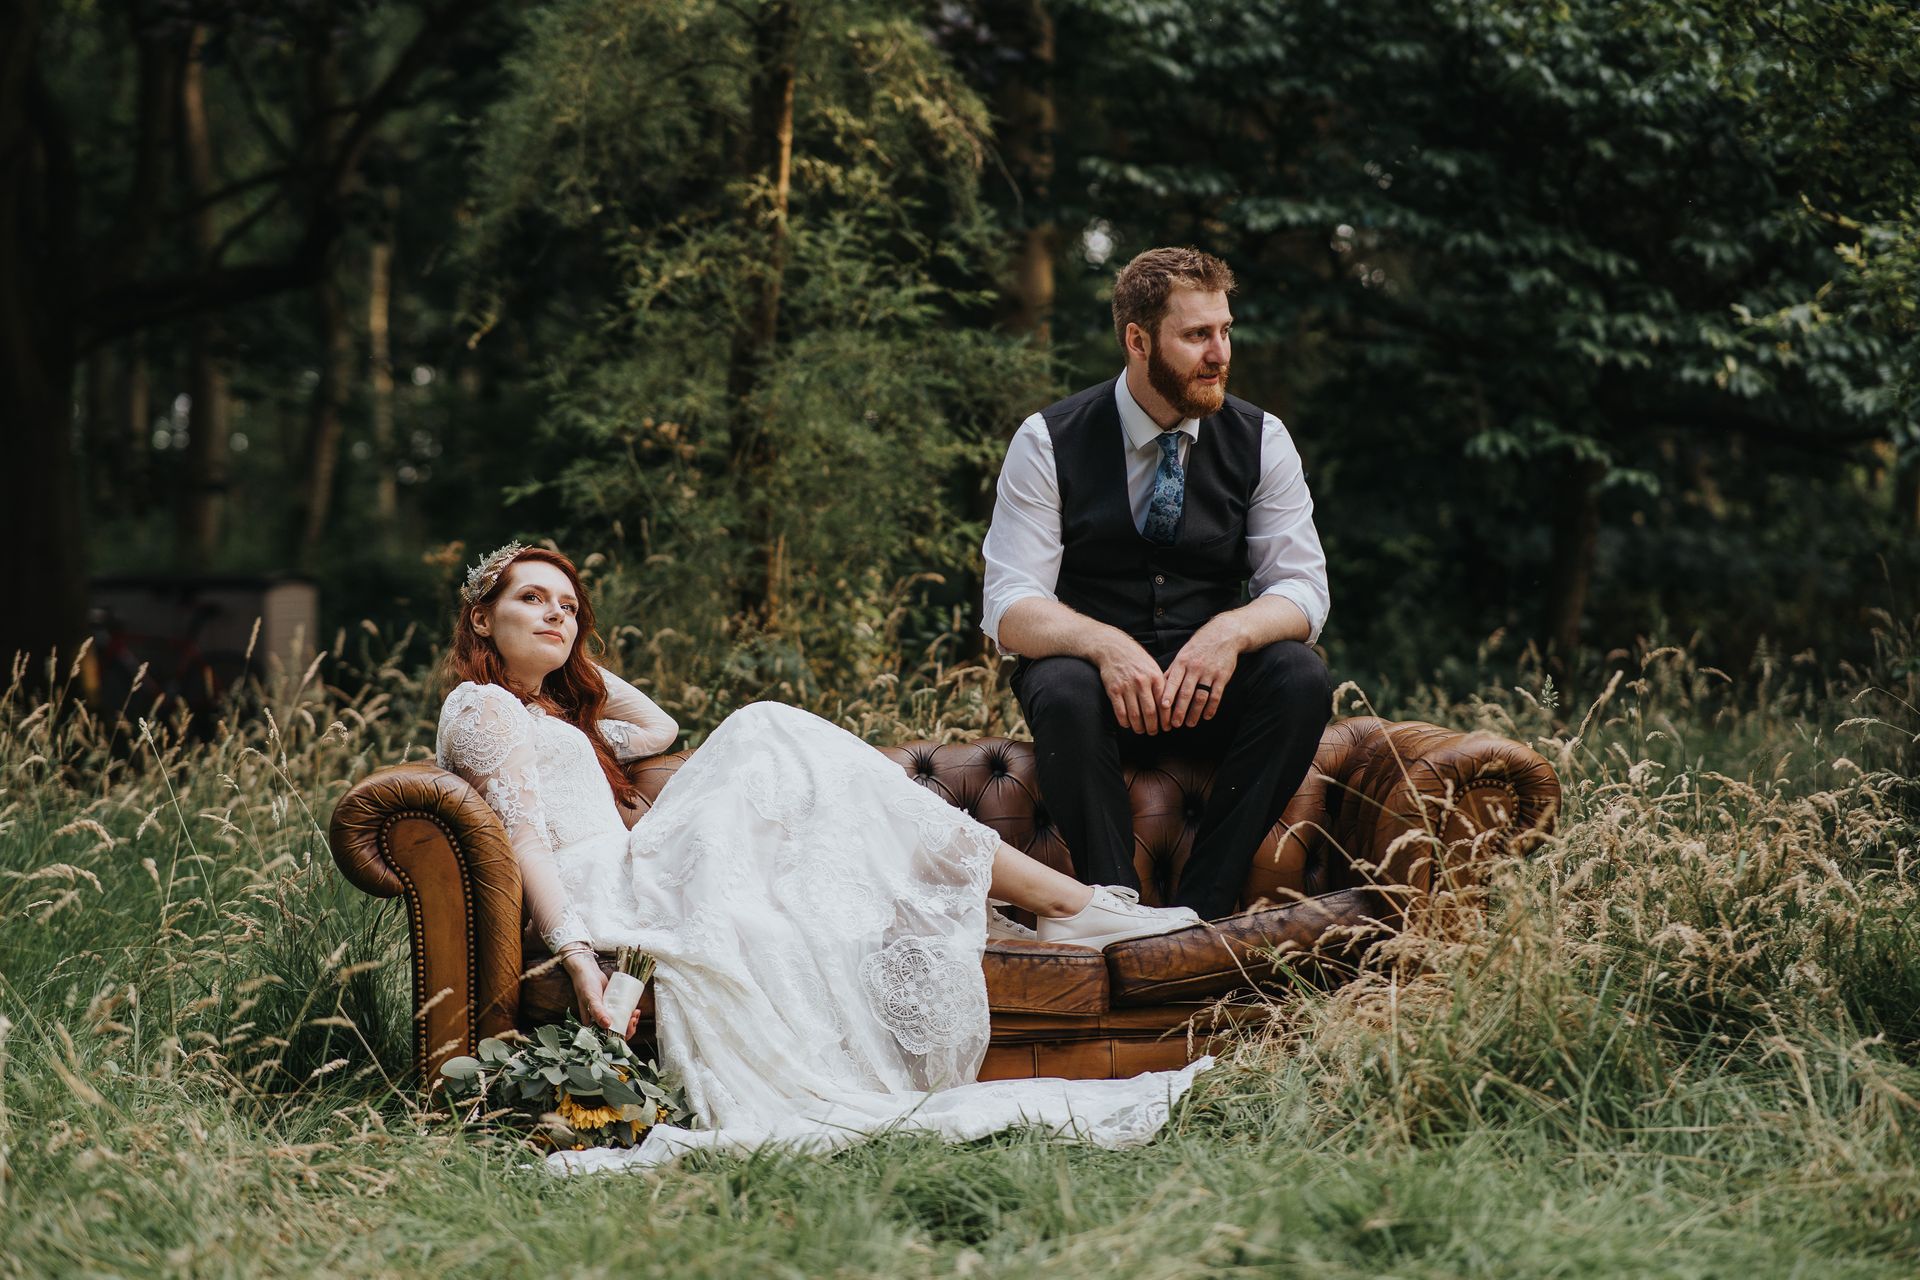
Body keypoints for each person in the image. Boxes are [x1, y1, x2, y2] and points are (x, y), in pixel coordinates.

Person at [434, 542, 1209, 1172]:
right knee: (765, 727)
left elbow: (659, 729)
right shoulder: (483, 706)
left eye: (570, 607)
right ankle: (1073, 903)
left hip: (635, 867)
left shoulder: (545, 712)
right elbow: (528, 839)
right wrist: (579, 961)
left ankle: (1069, 904)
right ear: (481, 616)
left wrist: (567, 661)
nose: (557, 614)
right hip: (610, 885)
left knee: (781, 746)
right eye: (532, 599)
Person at [981, 247, 1334, 921]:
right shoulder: (1047, 440)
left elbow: (1303, 589)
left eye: (1225, 330)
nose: (1220, 353)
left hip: (1210, 694)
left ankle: (1200, 911)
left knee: (1299, 676)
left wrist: (1231, 633)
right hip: (1095, 700)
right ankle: (1113, 908)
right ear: (1138, 341)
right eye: (1197, 335)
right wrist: (1106, 646)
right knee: (1060, 683)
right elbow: (1009, 606)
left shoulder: (1262, 439)